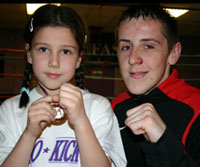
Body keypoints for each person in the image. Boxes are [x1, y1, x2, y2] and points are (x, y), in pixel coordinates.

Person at [0, 4, 127, 167]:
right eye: (43, 49)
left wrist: (81, 122)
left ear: (79, 59)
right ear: (29, 54)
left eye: (65, 51)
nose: (54, 62)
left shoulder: (98, 107)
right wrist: (29, 134)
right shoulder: (10, 110)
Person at [111, 4, 200, 167]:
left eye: (148, 46)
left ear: (173, 54)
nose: (132, 59)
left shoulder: (196, 108)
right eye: (126, 47)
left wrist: (162, 140)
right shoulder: (114, 107)